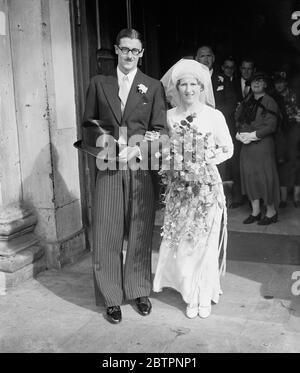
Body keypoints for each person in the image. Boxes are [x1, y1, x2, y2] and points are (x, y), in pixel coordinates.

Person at [81, 28, 167, 324]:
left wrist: (139, 146)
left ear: (141, 54)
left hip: (139, 166)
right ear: (116, 50)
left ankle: (139, 289)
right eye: (124, 49)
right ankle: (111, 296)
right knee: (106, 230)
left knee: (140, 229)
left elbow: (161, 129)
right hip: (107, 167)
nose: (129, 55)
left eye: (135, 50)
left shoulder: (152, 86)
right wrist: (108, 144)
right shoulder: (99, 82)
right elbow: (89, 123)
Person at [151, 59, 233, 319]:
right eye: (183, 84)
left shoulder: (213, 115)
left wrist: (207, 159)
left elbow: (227, 148)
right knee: (185, 241)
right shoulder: (171, 116)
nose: (188, 89)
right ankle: (189, 291)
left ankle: (202, 294)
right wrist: (167, 153)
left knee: (204, 242)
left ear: (201, 87)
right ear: (176, 88)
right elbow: (165, 149)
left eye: (193, 84)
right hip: (180, 188)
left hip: (207, 186)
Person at [235, 72, 280, 225]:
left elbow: (271, 125)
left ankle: (271, 212)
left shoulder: (270, 101)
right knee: (249, 177)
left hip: (262, 145)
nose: (256, 83)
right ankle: (255, 212)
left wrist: (253, 135)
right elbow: (238, 120)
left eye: (260, 80)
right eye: (254, 81)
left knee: (265, 178)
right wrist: (240, 134)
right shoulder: (246, 101)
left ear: (265, 84)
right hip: (246, 146)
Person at [195, 46, 237, 206]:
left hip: (217, 126)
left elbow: (232, 102)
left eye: (208, 56)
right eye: (202, 56)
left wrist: (212, 117)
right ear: (196, 59)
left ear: (213, 58)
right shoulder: (191, 79)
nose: (205, 59)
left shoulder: (222, 78)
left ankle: (223, 198)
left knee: (221, 161)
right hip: (197, 127)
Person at [272, 73, 300, 208]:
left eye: (281, 82)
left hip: (295, 131)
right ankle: (283, 198)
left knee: (296, 161)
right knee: (281, 163)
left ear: (286, 82)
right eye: (276, 82)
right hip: (281, 133)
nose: (279, 85)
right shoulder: (273, 97)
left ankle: (296, 196)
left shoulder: (295, 95)